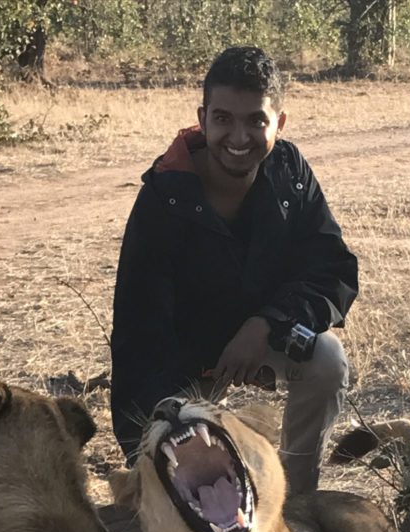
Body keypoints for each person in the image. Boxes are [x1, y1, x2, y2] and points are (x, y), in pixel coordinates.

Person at [110, 45, 359, 494]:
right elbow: (137, 335)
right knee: (187, 495)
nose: (239, 137)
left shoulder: (290, 172)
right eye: (223, 119)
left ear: (278, 124)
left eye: (255, 121)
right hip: (179, 368)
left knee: (327, 361)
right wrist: (146, 445)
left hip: (260, 342)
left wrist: (266, 324)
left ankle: (298, 499)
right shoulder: (164, 200)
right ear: (203, 118)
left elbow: (333, 270)